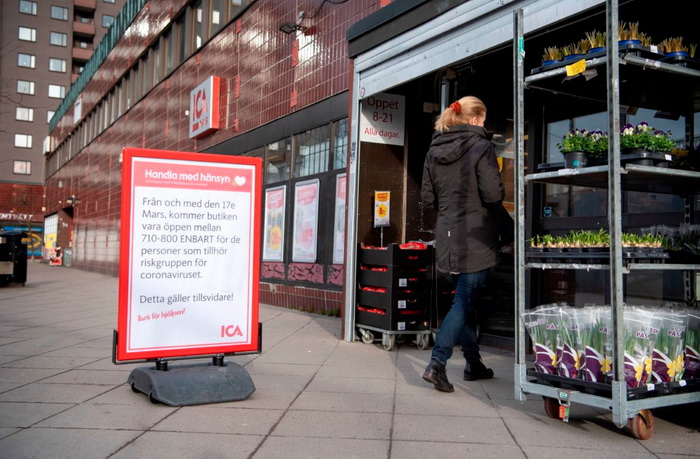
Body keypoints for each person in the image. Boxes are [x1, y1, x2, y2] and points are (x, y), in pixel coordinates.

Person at [421, 96, 505, 392]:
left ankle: (474, 363)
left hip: (446, 234)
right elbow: (494, 196)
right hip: (474, 236)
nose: (484, 125)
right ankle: (437, 362)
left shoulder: (434, 149)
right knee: (465, 299)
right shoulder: (482, 146)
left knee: (462, 298)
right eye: (483, 120)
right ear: (473, 119)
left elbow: (428, 199)